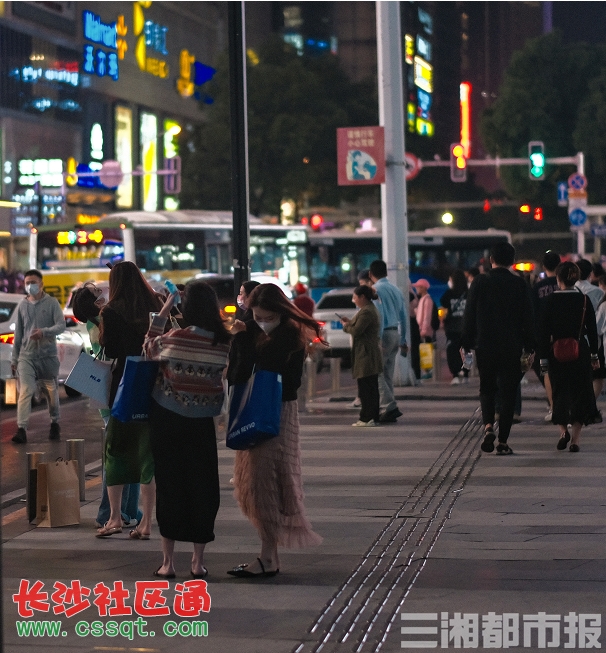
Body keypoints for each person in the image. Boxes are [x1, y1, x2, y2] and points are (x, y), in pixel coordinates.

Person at [227, 283, 322, 577]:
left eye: (268, 317)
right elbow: (237, 374)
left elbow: (285, 379)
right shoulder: (251, 332)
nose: (262, 322)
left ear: (280, 312)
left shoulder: (291, 335)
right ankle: (269, 556)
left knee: (267, 481)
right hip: (254, 411)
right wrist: (242, 339)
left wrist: (250, 340)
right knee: (254, 481)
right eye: (257, 316)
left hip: (277, 413)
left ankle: (268, 558)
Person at [144, 280, 231, 578]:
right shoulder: (222, 342)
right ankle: (197, 562)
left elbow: (148, 347)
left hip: (167, 420)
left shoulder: (175, 339)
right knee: (202, 487)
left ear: (187, 307)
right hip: (202, 424)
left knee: (169, 487)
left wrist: (165, 309)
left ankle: (168, 563)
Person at [96, 262, 162, 539]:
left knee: (115, 451)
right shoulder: (155, 305)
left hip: (124, 383)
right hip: (152, 383)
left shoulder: (111, 311)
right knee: (147, 454)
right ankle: (146, 522)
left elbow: (110, 349)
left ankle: (114, 518)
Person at [71, 283, 142, 529]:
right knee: (118, 457)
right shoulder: (101, 323)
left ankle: (129, 510)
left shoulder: (99, 321)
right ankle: (108, 513)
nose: (102, 294)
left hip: (113, 394)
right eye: (97, 294)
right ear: (94, 304)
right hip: (113, 396)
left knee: (127, 454)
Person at [461, 242, 536, 456]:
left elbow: (469, 314)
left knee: (487, 388)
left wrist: (465, 343)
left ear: (491, 260)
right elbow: (528, 318)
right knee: (508, 392)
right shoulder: (519, 284)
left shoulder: (479, 281)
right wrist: (530, 347)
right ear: (512, 261)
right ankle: (503, 441)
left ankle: (487, 427)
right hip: (512, 346)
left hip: (485, 344)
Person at [539, 262, 599, 453]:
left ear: (558, 279)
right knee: (580, 394)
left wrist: (543, 358)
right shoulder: (583, 300)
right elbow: (592, 329)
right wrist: (594, 354)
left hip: (556, 352)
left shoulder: (550, 300)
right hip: (579, 351)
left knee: (559, 393)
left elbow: (543, 332)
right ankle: (575, 440)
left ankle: (563, 431)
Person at [11, 269, 65, 444]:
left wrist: (44, 332)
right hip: (27, 356)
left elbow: (61, 325)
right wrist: (14, 359)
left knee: (51, 392)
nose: (30, 286)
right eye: (27, 283)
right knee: (26, 390)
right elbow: (18, 335)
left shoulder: (52, 303)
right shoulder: (22, 306)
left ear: (41, 284)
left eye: (33, 282)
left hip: (48, 356)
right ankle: (21, 429)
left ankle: (55, 422)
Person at [368, 260, 408, 423]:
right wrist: (403, 338)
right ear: (386, 272)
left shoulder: (375, 290)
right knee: (387, 374)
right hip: (395, 333)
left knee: (376, 372)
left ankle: (389, 405)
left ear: (370, 274)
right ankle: (387, 410)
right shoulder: (396, 289)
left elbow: (380, 315)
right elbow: (403, 316)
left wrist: (377, 338)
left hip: (384, 333)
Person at [341, 285, 383, 427]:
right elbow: (358, 326)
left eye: (355, 298)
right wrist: (350, 322)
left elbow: (357, 330)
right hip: (366, 352)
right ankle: (372, 416)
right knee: (370, 386)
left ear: (362, 297)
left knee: (366, 387)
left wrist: (346, 326)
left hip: (366, 353)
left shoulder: (367, 312)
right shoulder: (367, 309)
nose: (353, 300)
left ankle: (367, 417)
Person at [532, 251, 560, 422]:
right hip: (563, 334)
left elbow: (533, 313)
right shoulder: (564, 285)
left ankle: (553, 405)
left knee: (545, 369)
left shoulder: (538, 288)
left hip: (543, 336)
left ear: (543, 267)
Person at [575, 259, 605, 417]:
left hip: (575, 339)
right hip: (594, 339)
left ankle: (577, 407)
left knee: (578, 376)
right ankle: (590, 405)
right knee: (597, 376)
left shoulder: (571, 290)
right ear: (591, 273)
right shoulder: (598, 292)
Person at [440, 270, 468, 384]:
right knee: (467, 351)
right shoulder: (468, 293)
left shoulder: (449, 293)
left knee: (452, 351)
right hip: (467, 327)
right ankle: (466, 373)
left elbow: (443, 303)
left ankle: (456, 374)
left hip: (452, 327)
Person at [412, 279, 435, 343]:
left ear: (423, 288)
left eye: (418, 287)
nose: (416, 289)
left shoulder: (427, 300)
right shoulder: (423, 299)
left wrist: (424, 331)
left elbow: (427, 317)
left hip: (425, 332)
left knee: (425, 348)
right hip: (421, 329)